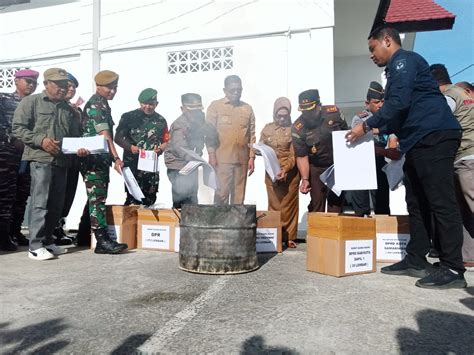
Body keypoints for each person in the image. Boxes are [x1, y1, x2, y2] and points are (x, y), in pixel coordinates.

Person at [346, 26, 466, 289]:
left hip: (434, 136)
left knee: (440, 201)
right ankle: (415, 258)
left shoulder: (405, 61)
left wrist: (365, 126)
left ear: (387, 41)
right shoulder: (397, 68)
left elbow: (397, 104)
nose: (371, 54)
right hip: (417, 140)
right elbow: (400, 113)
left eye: (372, 48)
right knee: (417, 201)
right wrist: (372, 130)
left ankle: (453, 268)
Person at [12, 68, 88, 260]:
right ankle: (35, 245)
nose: (64, 89)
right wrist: (41, 140)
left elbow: (74, 136)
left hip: (62, 161)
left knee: (56, 203)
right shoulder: (31, 102)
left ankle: (48, 241)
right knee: (41, 202)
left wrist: (79, 148)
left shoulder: (67, 109)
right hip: (40, 159)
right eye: (59, 85)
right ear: (46, 84)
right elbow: (18, 129)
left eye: (66, 85)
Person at [430, 64, 474, 269]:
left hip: (467, 156)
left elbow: (438, 124)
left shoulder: (448, 97)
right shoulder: (465, 92)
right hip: (466, 157)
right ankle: (469, 255)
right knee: (464, 209)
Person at [80, 70, 127, 254]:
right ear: (98, 86)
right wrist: (116, 158)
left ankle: (84, 235)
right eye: (109, 88)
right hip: (94, 159)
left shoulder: (103, 104)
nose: (112, 91)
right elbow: (105, 135)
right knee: (98, 198)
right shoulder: (97, 105)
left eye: (115, 88)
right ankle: (102, 241)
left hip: (98, 159)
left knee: (94, 197)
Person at [0, 69, 39, 250]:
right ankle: (3, 235)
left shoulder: (36, 103)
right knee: (6, 194)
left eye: (33, 82)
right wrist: (13, 141)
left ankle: (15, 231)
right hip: (7, 154)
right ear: (16, 81)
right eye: (27, 81)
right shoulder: (4, 100)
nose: (31, 85)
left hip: (28, 154)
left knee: (22, 193)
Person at [291, 89, 348, 212]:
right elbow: (301, 156)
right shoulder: (298, 128)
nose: (307, 115)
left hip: (336, 166)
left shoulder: (334, 113)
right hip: (316, 168)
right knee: (317, 204)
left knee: (336, 204)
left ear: (319, 105)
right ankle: (317, 231)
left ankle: (334, 230)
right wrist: (305, 179)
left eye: (310, 111)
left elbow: (347, 136)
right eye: (304, 111)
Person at [349, 81, 400, 216]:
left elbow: (393, 137)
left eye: (383, 101)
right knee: (361, 209)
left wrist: (393, 149)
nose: (381, 105)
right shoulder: (360, 119)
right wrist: (386, 152)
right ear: (367, 104)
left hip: (380, 163)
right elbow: (362, 147)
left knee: (382, 205)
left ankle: (382, 235)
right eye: (376, 102)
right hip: (362, 164)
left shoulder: (388, 116)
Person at [206, 75, 256, 204]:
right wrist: (211, 155)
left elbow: (252, 134)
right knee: (221, 195)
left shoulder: (247, 109)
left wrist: (251, 157)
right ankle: (219, 223)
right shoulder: (215, 106)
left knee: (239, 198)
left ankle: (236, 224)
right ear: (224, 90)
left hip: (242, 160)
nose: (236, 92)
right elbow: (209, 133)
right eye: (232, 89)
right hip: (222, 160)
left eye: (239, 90)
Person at [115, 88, 169, 206]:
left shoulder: (161, 120)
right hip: (133, 167)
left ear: (156, 104)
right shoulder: (128, 117)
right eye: (145, 103)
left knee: (149, 202)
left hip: (150, 170)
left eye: (151, 104)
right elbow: (117, 138)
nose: (148, 107)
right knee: (132, 202)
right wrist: (130, 148)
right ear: (140, 103)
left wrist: (160, 150)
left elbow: (166, 141)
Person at [259, 97, 299, 248]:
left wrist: (285, 169)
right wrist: (258, 150)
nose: (282, 119)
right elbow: (261, 145)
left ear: (289, 115)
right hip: (271, 172)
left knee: (289, 206)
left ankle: (288, 237)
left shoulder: (295, 129)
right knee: (274, 204)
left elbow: (294, 154)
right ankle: (275, 235)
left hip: (289, 172)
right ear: (274, 114)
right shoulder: (267, 129)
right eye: (278, 116)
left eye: (285, 116)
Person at [164, 93, 216, 208]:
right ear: (183, 109)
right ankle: (179, 222)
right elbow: (180, 147)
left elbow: (204, 134)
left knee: (192, 196)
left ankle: (191, 221)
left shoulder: (200, 119)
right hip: (177, 165)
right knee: (181, 196)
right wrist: (195, 158)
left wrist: (201, 151)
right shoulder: (179, 124)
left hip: (191, 164)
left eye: (197, 110)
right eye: (191, 111)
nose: (195, 114)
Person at [52, 72, 84, 247]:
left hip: (73, 159)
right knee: (55, 195)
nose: (71, 89)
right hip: (57, 158)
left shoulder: (76, 110)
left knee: (68, 194)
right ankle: (51, 231)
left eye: (73, 87)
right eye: (68, 86)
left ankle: (59, 227)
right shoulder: (55, 107)